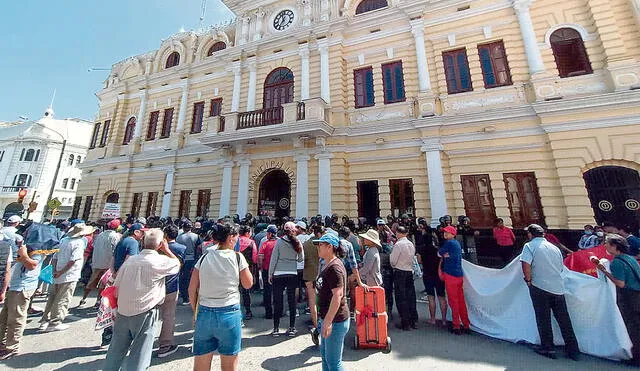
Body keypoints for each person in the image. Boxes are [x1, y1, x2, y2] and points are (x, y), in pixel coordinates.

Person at [104, 228, 180, 371]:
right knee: (140, 352)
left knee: (115, 350)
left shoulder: (130, 261)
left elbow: (116, 287)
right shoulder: (160, 261)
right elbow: (176, 264)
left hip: (123, 310)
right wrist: (167, 250)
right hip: (146, 310)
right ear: (160, 245)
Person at [189, 223, 253, 371]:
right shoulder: (237, 257)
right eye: (236, 236)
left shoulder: (204, 258)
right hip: (229, 313)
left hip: (204, 313)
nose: (237, 240)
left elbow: (192, 288)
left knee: (200, 365)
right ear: (231, 238)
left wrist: (195, 311)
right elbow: (248, 284)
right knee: (229, 365)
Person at [520, 224, 580, 361]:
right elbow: (560, 267)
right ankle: (573, 350)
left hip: (539, 286)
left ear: (530, 234)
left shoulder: (529, 246)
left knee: (543, 318)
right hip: (557, 287)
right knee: (564, 319)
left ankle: (548, 347)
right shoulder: (554, 248)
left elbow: (526, 264)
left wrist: (528, 280)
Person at [593, 234, 640, 366]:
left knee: (633, 328)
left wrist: (605, 272)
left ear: (614, 246)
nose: (605, 246)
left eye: (607, 243)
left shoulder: (617, 262)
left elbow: (620, 284)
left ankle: (636, 357)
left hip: (629, 297)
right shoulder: (630, 258)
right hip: (637, 294)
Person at [39, 224, 94, 332]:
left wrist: (55, 270)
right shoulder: (79, 243)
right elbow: (73, 260)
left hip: (57, 273)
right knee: (63, 299)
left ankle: (45, 321)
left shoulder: (63, 240)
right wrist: (61, 272)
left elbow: (55, 257)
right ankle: (55, 322)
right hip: (69, 275)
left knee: (52, 298)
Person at [0, 227, 45, 359]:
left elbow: (32, 265)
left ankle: (12, 347)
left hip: (23, 287)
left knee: (16, 319)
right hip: (15, 286)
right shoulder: (28, 246)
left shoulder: (38, 248)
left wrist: (24, 254)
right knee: (5, 317)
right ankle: (3, 343)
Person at [314, 233, 350, 371]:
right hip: (328, 318)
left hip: (335, 320)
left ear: (330, 247)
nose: (318, 247)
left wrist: (328, 322)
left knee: (334, 363)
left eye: (321, 245)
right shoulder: (329, 264)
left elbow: (338, 295)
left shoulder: (334, 267)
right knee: (326, 359)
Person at [268, 222, 303, 337]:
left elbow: (274, 258)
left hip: (278, 274)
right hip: (292, 273)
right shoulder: (297, 242)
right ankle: (292, 328)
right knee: (292, 301)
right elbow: (300, 259)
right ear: (294, 230)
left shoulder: (279, 241)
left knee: (277, 302)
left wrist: (270, 274)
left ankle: (276, 328)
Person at [157, 224, 186, 358]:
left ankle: (141, 343)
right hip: (171, 286)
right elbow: (181, 265)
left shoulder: (156, 248)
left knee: (149, 315)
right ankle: (165, 345)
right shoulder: (181, 248)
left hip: (153, 286)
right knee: (168, 316)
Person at [80, 219, 122, 307]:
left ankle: (83, 298)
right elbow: (116, 249)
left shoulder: (100, 235)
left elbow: (94, 246)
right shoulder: (115, 236)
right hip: (108, 263)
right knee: (104, 283)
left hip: (97, 261)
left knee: (92, 281)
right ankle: (98, 301)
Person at [439, 226, 470, 335]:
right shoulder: (456, 243)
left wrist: (444, 255)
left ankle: (456, 325)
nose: (445, 234)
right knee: (461, 301)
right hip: (458, 274)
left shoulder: (449, 243)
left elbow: (440, 253)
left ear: (452, 234)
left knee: (453, 301)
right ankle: (466, 324)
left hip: (450, 274)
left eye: (447, 232)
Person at [416, 222, 447, 326]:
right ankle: (443, 320)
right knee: (441, 296)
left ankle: (433, 319)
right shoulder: (437, 249)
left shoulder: (422, 249)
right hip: (438, 274)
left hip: (427, 273)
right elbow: (442, 259)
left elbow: (419, 261)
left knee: (431, 297)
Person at [390, 226, 418, 330]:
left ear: (398, 233)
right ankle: (413, 320)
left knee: (401, 297)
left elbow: (393, 260)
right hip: (409, 271)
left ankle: (405, 322)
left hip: (400, 271)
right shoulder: (410, 243)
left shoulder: (398, 245)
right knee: (410, 296)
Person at [303, 225, 323, 345]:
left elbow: (302, 259)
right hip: (320, 274)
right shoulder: (322, 244)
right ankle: (321, 321)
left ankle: (315, 323)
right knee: (322, 299)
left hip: (309, 274)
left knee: (312, 300)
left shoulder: (306, 244)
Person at [177, 221, 202, 305]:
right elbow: (199, 248)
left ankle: (181, 293)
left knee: (181, 277)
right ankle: (186, 296)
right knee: (188, 278)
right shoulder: (195, 236)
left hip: (180, 259)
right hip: (191, 259)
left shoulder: (178, 237)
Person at [377, 219, 395, 318]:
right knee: (388, 291)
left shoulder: (381, 246)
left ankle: (386, 309)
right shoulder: (389, 246)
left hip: (383, 270)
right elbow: (395, 238)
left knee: (384, 290)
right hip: (387, 269)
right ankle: (388, 310)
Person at [238, 225, 257, 320]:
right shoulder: (251, 242)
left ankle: (235, 311)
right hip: (247, 269)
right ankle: (248, 311)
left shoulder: (234, 241)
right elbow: (254, 258)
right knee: (246, 291)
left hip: (234, 269)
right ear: (247, 233)